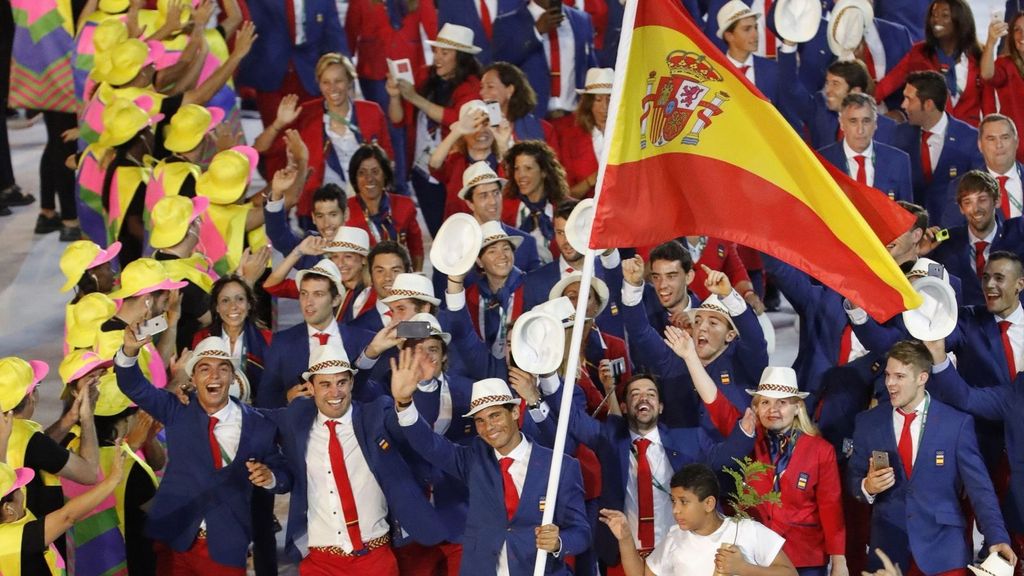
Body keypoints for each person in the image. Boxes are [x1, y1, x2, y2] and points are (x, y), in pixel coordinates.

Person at [391, 349, 592, 575]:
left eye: (495, 415)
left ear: (514, 412)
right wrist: (404, 403)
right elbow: (430, 444)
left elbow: (581, 533)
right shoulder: (474, 461)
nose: (489, 427)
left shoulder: (559, 467)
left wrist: (558, 542)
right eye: (480, 421)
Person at [113, 332, 292, 573]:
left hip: (226, 546)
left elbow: (284, 476)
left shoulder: (260, 425)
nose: (214, 376)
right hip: (174, 540)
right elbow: (133, 385)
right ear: (194, 378)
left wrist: (270, 478)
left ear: (232, 377)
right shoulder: (176, 409)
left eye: (222, 369)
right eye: (205, 369)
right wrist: (129, 351)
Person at [262, 343, 446, 574]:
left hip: (375, 557)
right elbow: (250, 421)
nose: (335, 392)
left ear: (351, 383)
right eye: (325, 384)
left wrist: (421, 388)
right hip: (319, 561)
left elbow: (414, 430)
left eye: (341, 382)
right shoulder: (294, 420)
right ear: (310, 387)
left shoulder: (376, 414)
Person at [552, 372, 756, 571]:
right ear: (624, 407)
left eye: (651, 394)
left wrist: (745, 431)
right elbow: (574, 420)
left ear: (660, 407)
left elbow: (722, 457)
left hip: (679, 553)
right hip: (624, 553)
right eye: (635, 394)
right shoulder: (609, 438)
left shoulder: (690, 439)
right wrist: (549, 379)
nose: (644, 398)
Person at [848, 340, 1015, 574]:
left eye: (899, 376)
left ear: (922, 378)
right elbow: (853, 477)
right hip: (888, 552)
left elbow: (980, 489)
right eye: (887, 375)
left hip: (944, 553)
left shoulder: (956, 423)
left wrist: (997, 537)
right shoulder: (868, 422)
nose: (889, 384)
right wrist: (867, 486)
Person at [699, 364, 848, 576]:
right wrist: (690, 357)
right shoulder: (748, 439)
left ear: (797, 407)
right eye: (765, 402)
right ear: (756, 408)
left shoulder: (821, 450)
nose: (773, 409)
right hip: (756, 556)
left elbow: (831, 508)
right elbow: (716, 404)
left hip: (805, 558)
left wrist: (839, 561)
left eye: (782, 403)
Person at [620, 255, 768, 426]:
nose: (702, 327)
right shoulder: (676, 357)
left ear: (730, 335)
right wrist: (632, 286)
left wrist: (728, 295)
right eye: (697, 321)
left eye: (713, 322)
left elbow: (754, 337)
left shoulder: (744, 361)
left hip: (737, 450)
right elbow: (639, 331)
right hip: (681, 451)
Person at [256, 52, 393, 226]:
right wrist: (279, 122)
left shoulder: (372, 112)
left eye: (338, 81)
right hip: (318, 210)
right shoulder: (306, 114)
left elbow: (387, 159)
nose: (332, 88)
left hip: (365, 207)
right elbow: (259, 148)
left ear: (350, 82)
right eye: (326, 82)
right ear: (319, 85)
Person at [599, 463, 798, 576]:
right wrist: (625, 537)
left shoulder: (747, 530)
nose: (675, 510)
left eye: (684, 502)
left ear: (709, 503)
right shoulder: (674, 537)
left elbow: (791, 574)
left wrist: (743, 568)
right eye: (673, 501)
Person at [0, 410, 127, 576]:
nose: (23, 491)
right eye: (18, 488)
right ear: (8, 509)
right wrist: (112, 480)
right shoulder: (21, 538)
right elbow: (68, 516)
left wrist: (3, 440)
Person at [0, 357, 101, 560]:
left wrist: (70, 418)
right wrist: (87, 417)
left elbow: (39, 452)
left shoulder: (19, 437)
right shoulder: (31, 439)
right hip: (31, 548)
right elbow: (89, 473)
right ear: (31, 396)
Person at [388, 23, 483, 235]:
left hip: (454, 171)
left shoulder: (472, 86)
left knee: (456, 233)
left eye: (445, 52)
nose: (437, 57)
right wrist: (395, 96)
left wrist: (414, 97)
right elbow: (397, 119)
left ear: (460, 57)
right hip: (422, 169)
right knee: (437, 233)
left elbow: (455, 118)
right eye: (436, 51)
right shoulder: (424, 75)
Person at [258, 259, 377, 408]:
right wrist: (286, 398)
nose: (308, 302)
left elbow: (376, 395)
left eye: (318, 294)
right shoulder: (282, 342)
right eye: (304, 294)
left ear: (335, 300)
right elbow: (264, 401)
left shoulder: (364, 340)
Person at [890, 70, 983, 227]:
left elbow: (978, 190)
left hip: (953, 235)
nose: (903, 105)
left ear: (928, 104)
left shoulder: (970, 139)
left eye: (908, 99)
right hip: (912, 235)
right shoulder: (898, 135)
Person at [237, 0, 348, 128]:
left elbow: (334, 36)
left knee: (312, 134)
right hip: (270, 75)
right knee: (277, 138)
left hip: (311, 76)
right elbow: (246, 23)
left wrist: (345, 72)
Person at [875, 0, 984, 126]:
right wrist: (861, 105)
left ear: (960, 20)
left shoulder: (978, 56)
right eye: (934, 14)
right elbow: (889, 83)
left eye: (944, 15)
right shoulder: (919, 53)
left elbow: (989, 102)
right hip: (931, 135)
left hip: (969, 135)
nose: (936, 20)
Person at [927, 171, 1024, 306]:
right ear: (961, 208)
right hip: (962, 324)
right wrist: (920, 254)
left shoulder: (1018, 235)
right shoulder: (944, 244)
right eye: (968, 202)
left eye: (982, 199)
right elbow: (929, 290)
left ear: (997, 201)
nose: (975, 208)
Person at [492, 0, 597, 118]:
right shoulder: (507, 23)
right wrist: (536, 31)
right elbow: (501, 67)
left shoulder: (582, 20)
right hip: (530, 121)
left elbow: (591, 70)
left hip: (574, 120)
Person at [715, 0, 799, 131]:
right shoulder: (714, 73)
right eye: (747, 29)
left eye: (755, 27)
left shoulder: (774, 71)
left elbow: (789, 120)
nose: (755, 34)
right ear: (729, 35)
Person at [818, 93, 913, 202]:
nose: (860, 130)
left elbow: (906, 214)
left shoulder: (898, 160)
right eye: (853, 121)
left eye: (866, 121)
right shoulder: (821, 161)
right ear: (842, 124)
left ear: (875, 124)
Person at [344, 144, 425, 270]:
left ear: (385, 174)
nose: (369, 178)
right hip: (360, 283)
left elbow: (416, 249)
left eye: (375, 172)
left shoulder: (405, 206)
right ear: (355, 178)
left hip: (398, 279)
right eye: (361, 173)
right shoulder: (345, 209)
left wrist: (416, 279)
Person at [429, 100, 511, 221]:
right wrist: (457, 131)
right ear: (463, 134)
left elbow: (515, 178)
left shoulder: (503, 161)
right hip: (461, 233)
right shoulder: (455, 162)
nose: (481, 131)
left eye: (486, 124)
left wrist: (503, 144)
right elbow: (434, 164)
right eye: (474, 126)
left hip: (501, 234)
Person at [192, 275, 273, 397]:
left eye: (239, 299)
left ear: (249, 304)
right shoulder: (202, 338)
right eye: (225, 300)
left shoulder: (268, 339)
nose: (233, 306)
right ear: (217, 307)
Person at [943, 114, 1023, 225]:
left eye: (1005, 137)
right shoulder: (959, 187)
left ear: (1016, 142)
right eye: (991, 139)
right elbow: (952, 234)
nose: (999, 145)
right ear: (980, 145)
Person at [501, 140, 569, 263]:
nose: (521, 175)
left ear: (543, 172)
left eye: (528, 168)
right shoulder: (505, 209)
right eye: (517, 169)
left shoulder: (566, 207)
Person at [264, 183, 348, 273]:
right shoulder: (306, 249)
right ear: (313, 218)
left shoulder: (361, 246)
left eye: (333, 215)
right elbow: (278, 235)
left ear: (346, 215)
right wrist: (276, 194)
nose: (326, 223)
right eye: (320, 216)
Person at [558, 67, 612, 198]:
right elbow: (567, 194)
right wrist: (591, 180)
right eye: (598, 100)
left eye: (609, 99)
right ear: (589, 104)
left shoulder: (627, 136)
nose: (605, 107)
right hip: (587, 211)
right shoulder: (571, 140)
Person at [478, 61, 559, 145]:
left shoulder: (543, 129)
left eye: (490, 86)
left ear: (510, 90)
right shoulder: (476, 125)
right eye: (482, 87)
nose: (482, 92)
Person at [981, 12, 1024, 163]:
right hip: (1018, 153)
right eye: (1017, 30)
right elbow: (987, 74)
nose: (1021, 35)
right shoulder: (1006, 64)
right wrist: (991, 41)